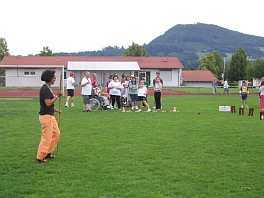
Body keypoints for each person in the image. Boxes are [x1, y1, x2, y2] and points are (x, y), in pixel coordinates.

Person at [36, 70, 62, 163]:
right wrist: (57, 96)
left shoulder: (49, 89)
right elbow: (47, 103)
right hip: (45, 116)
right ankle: (40, 157)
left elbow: (50, 105)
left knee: (56, 133)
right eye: (54, 78)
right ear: (49, 78)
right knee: (46, 137)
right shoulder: (45, 89)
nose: (55, 79)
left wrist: (56, 110)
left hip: (50, 115)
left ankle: (47, 152)